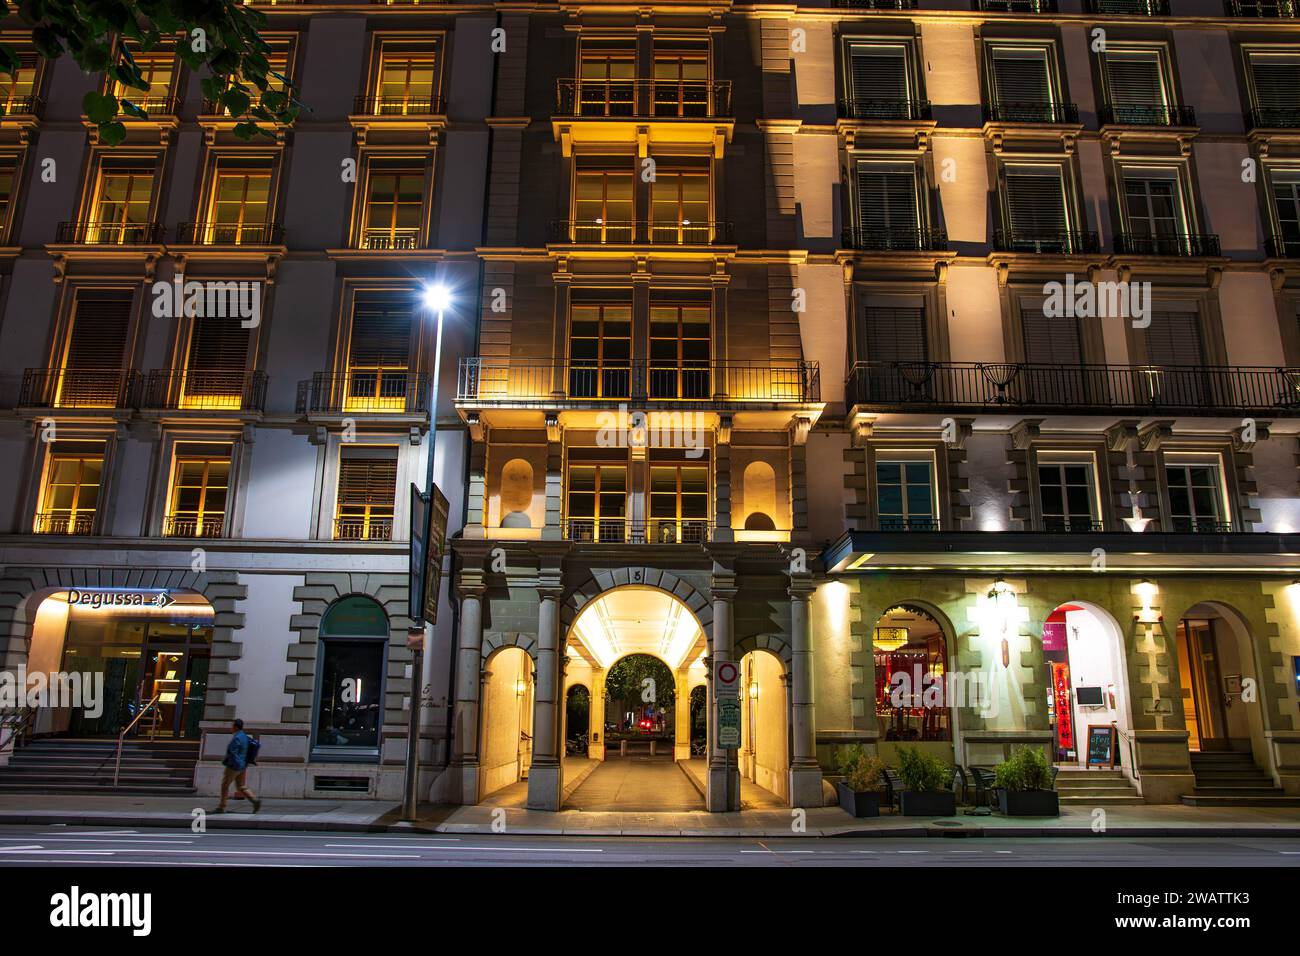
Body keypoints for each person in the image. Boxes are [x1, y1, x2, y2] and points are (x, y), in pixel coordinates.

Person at [214, 718, 261, 813]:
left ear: (235, 727)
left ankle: (221, 807)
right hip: (243, 765)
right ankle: (255, 801)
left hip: (234, 767)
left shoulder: (237, 738)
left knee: (224, 785)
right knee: (241, 786)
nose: (231, 728)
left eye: (232, 726)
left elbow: (232, 753)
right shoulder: (244, 736)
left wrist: (230, 764)